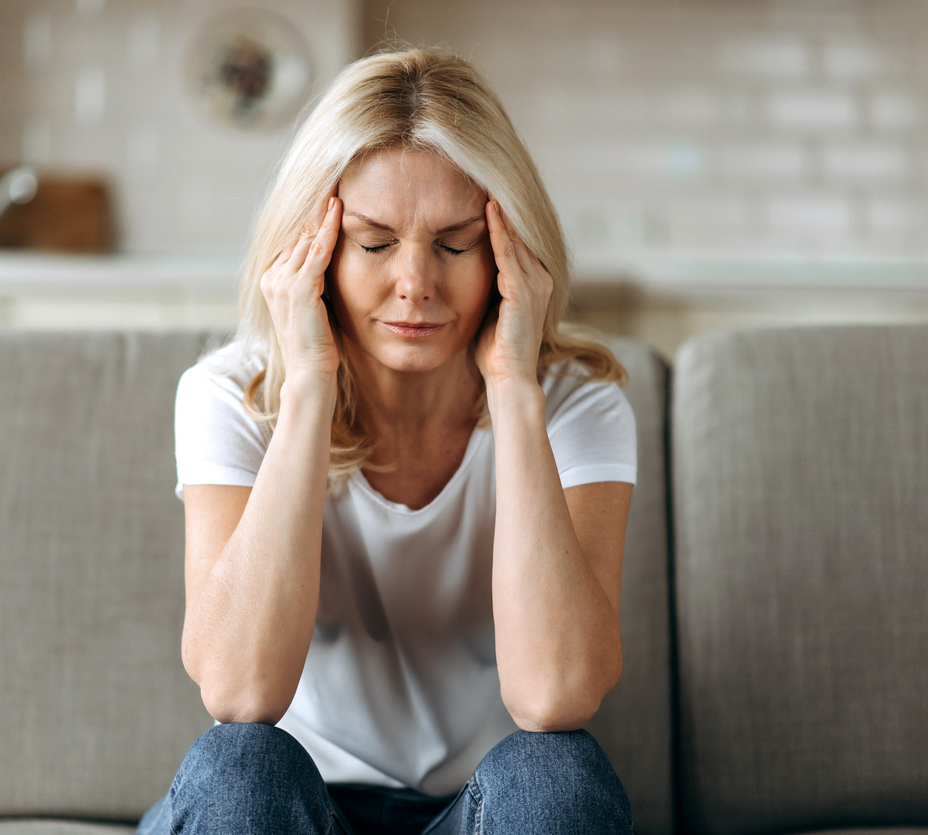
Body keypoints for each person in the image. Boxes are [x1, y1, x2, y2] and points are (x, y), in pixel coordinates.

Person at [138, 47, 637, 835]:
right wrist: (305, 388)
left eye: (455, 242)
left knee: (555, 775)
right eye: (372, 243)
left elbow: (554, 696)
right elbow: (237, 694)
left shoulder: (577, 403)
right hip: (292, 812)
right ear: (315, 248)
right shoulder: (227, 395)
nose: (415, 283)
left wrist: (512, 386)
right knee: (240, 764)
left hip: (475, 814)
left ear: (510, 251)